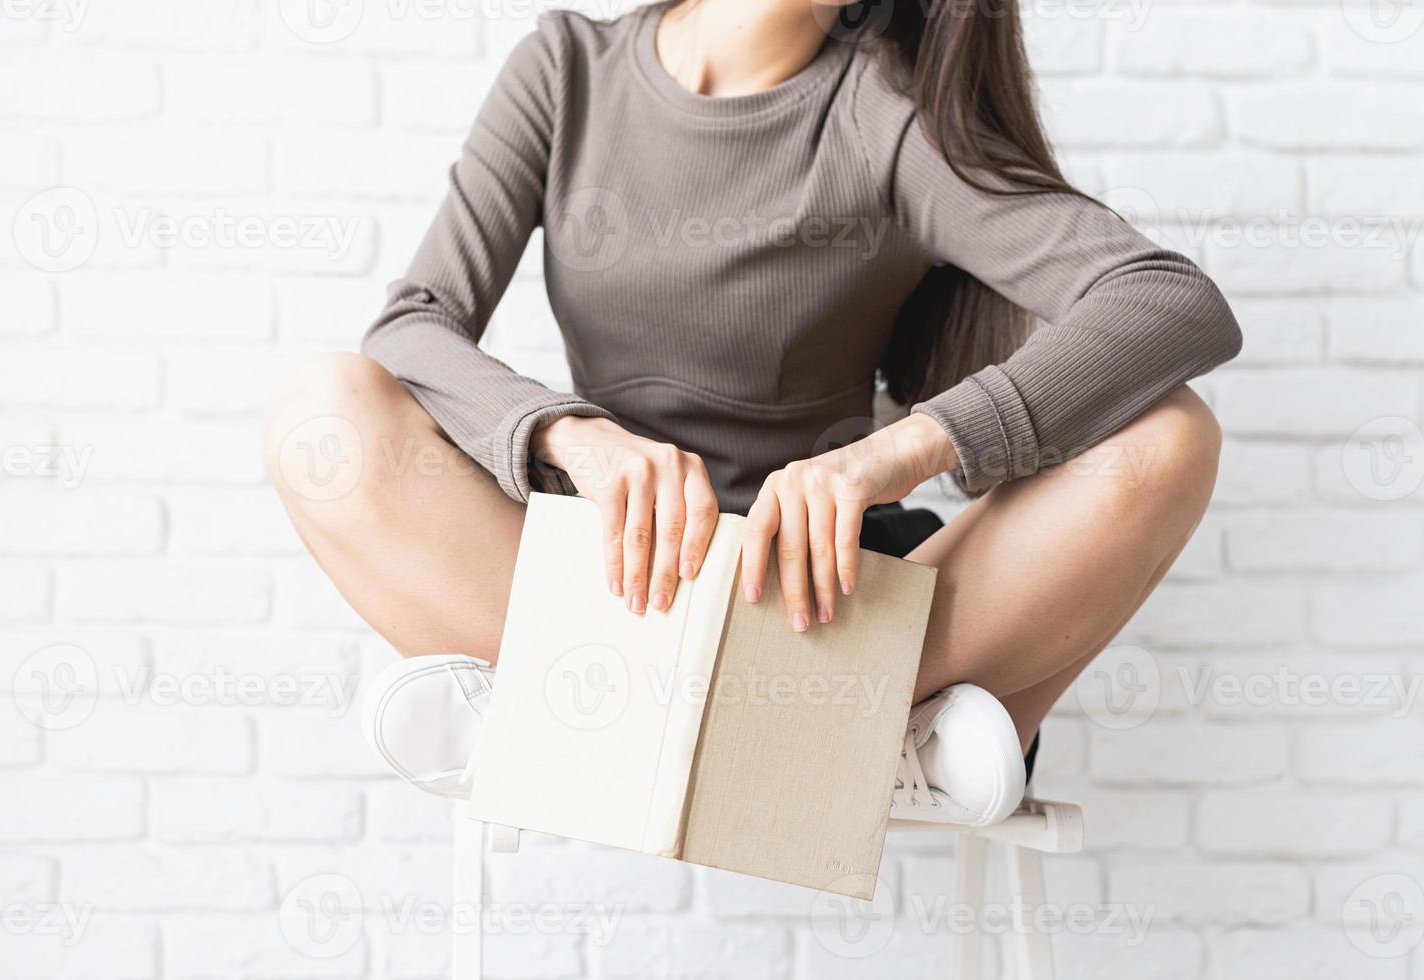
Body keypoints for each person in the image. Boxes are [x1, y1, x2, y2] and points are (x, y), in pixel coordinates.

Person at [264, 0, 1240, 828]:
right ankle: (841, 736)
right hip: (609, 591)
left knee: (1171, 437)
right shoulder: (566, 69)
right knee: (326, 413)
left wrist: (891, 456)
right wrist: (576, 436)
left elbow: (1166, 298)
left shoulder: (887, 119)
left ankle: (613, 720)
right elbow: (411, 326)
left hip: (820, 610)